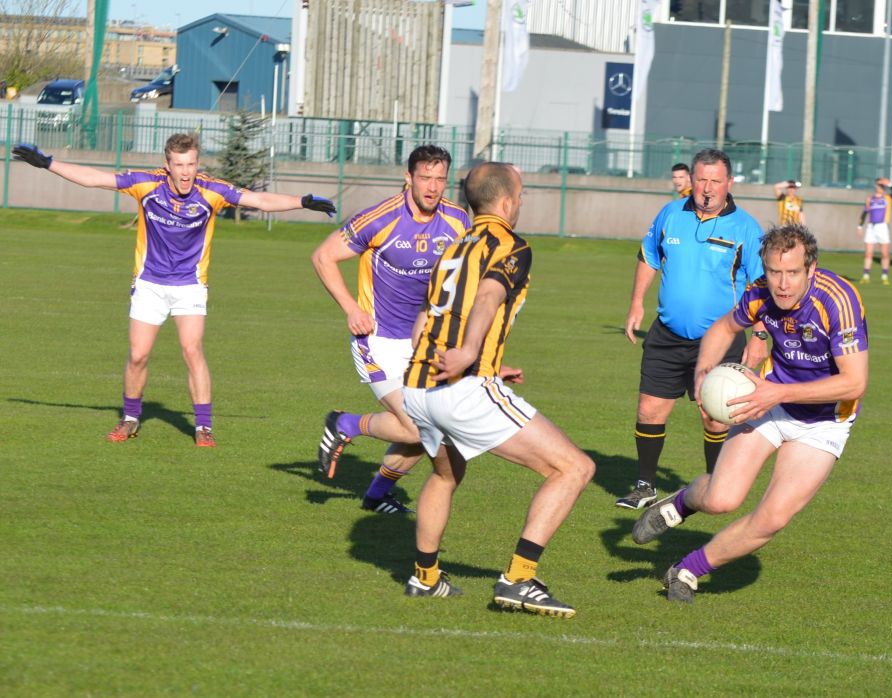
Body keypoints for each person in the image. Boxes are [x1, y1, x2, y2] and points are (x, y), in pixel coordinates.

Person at [10, 136, 335, 446]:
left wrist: (303, 202)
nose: (185, 172)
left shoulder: (212, 190)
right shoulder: (146, 183)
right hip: (150, 284)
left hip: (189, 286)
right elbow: (96, 178)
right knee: (138, 355)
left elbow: (259, 199)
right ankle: (130, 418)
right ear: (167, 165)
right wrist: (48, 163)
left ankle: (204, 426)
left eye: (191, 164)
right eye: (179, 165)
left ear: (197, 164)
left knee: (192, 350)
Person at [632, 223, 869, 603]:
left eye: (792, 273)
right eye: (775, 272)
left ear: (811, 269)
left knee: (772, 519)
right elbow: (723, 329)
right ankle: (679, 503)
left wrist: (778, 391)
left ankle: (688, 569)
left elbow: (854, 383)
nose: (783, 284)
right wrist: (703, 377)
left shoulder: (837, 300)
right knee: (720, 500)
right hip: (768, 403)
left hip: (823, 421)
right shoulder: (759, 292)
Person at [399, 162, 595, 618]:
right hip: (460, 385)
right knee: (574, 468)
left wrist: (483, 360)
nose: (521, 203)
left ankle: (425, 578)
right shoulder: (512, 245)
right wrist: (470, 355)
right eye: (521, 196)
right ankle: (519, 579)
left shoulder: (453, 248)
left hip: (418, 386)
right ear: (506, 203)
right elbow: (488, 297)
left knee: (446, 475)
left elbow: (424, 323)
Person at [311, 145, 469, 514]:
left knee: (437, 430)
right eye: (425, 178)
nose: (432, 187)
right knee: (418, 428)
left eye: (440, 179)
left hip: (425, 343)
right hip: (378, 341)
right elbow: (323, 256)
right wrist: (351, 309)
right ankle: (345, 423)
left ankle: (376, 496)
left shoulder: (459, 221)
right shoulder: (381, 218)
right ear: (408, 177)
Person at [617, 149, 769, 510]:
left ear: (729, 183)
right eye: (702, 179)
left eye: (716, 181)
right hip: (667, 335)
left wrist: (760, 335)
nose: (707, 188)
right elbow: (648, 256)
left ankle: (718, 484)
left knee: (715, 417)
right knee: (649, 411)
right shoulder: (671, 213)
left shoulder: (746, 228)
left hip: (721, 340)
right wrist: (637, 303)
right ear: (692, 179)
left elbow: (762, 285)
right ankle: (645, 485)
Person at [858, 179, 892, 285]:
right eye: (879, 185)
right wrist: (859, 226)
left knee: (885, 253)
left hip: (882, 227)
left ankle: (884, 276)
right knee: (868, 253)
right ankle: (866, 276)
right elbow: (865, 212)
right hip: (871, 227)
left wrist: (889, 184)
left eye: (882, 186)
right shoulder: (870, 199)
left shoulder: (887, 198)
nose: (880, 187)